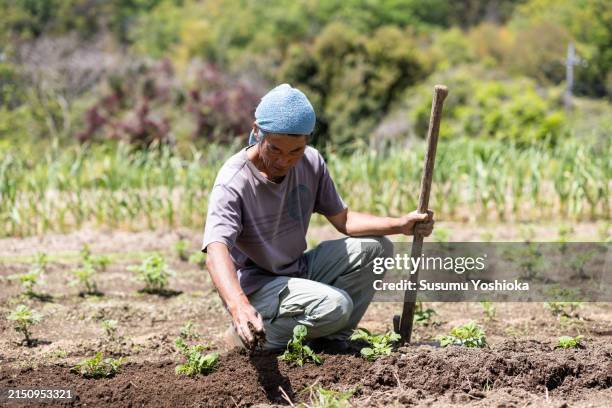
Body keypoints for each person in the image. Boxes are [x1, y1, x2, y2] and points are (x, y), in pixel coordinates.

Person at [202, 84, 434, 351]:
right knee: (336, 305)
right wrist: (239, 306)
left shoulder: (310, 162)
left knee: (378, 248)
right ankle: (247, 339)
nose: (284, 161)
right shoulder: (233, 181)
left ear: (307, 141)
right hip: (257, 287)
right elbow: (215, 251)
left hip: (296, 270)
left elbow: (343, 220)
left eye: (295, 151)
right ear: (257, 131)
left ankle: (332, 341)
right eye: (275, 149)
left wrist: (400, 224)